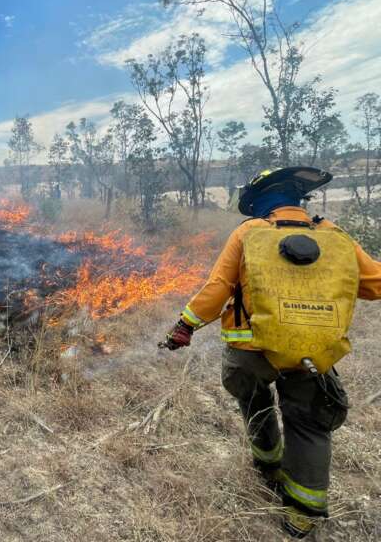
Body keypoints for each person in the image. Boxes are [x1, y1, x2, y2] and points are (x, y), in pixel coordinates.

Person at [163, 167, 381, 538]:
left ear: (260, 201)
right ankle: (302, 516)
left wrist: (185, 326)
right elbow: (374, 285)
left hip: (252, 351)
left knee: (255, 401)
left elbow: (218, 288)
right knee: (309, 425)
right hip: (312, 354)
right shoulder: (333, 235)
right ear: (298, 199)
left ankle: (267, 465)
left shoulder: (249, 233)